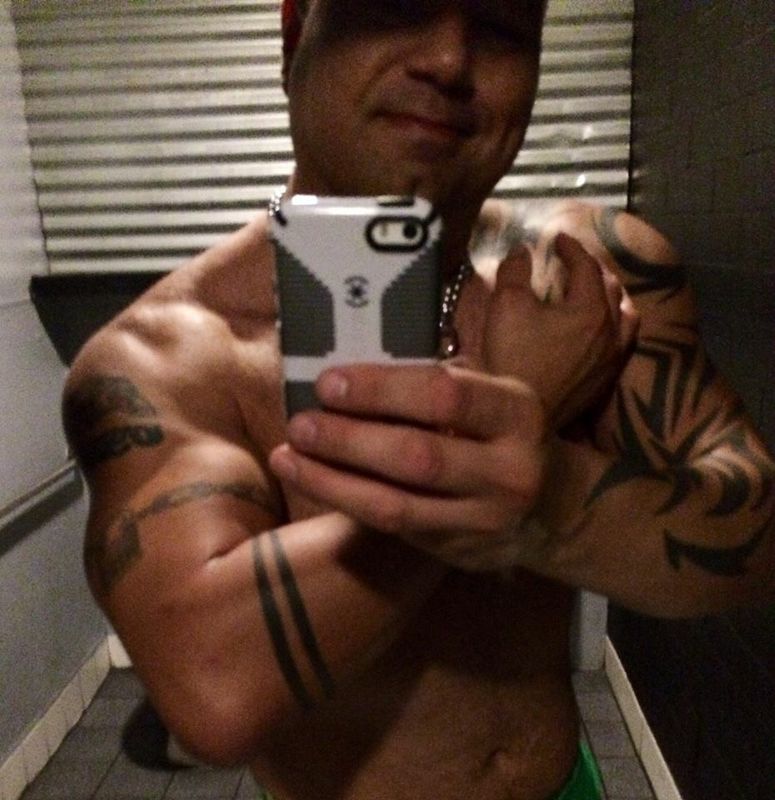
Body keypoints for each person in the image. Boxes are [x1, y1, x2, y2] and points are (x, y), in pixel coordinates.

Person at [61, 2, 775, 798]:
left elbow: (755, 542)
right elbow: (215, 692)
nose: (448, 60)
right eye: (394, 5)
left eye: (500, 27)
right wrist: (518, 415)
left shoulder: (590, 277)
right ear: (296, 35)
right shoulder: (168, 356)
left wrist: (549, 491)